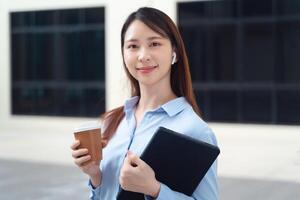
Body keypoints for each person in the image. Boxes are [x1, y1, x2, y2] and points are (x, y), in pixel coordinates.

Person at [70, 7, 219, 200]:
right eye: (132, 46)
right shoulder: (113, 120)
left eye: (154, 43)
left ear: (174, 52)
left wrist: (155, 189)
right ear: (123, 53)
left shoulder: (194, 130)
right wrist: (95, 175)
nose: (143, 55)